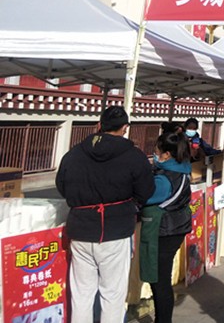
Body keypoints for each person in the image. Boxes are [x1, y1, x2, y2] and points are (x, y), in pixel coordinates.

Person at [55, 105, 155, 323]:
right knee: (112, 294)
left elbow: (62, 186)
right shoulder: (134, 155)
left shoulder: (74, 153)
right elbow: (146, 191)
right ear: (125, 128)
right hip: (115, 231)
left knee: (81, 293)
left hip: (81, 230)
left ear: (99, 125)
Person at [141, 131, 192, 323]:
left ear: (167, 154)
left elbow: (146, 196)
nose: (155, 155)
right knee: (162, 279)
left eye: (156, 152)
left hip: (165, 230)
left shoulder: (164, 179)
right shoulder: (182, 170)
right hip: (176, 227)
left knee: (160, 281)